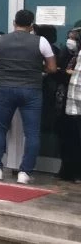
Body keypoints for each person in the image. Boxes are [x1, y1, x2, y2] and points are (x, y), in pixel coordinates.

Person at [0, 9, 57, 184]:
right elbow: (52, 68)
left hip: (6, 89)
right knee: (32, 133)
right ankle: (24, 173)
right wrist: (37, 68)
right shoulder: (41, 41)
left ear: (14, 23)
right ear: (31, 26)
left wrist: (7, 68)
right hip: (31, 90)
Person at [56, 28, 81, 182]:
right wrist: (65, 73)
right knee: (68, 137)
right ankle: (68, 170)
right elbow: (58, 71)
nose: (71, 41)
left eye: (75, 38)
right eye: (70, 37)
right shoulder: (67, 53)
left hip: (76, 100)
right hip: (67, 102)